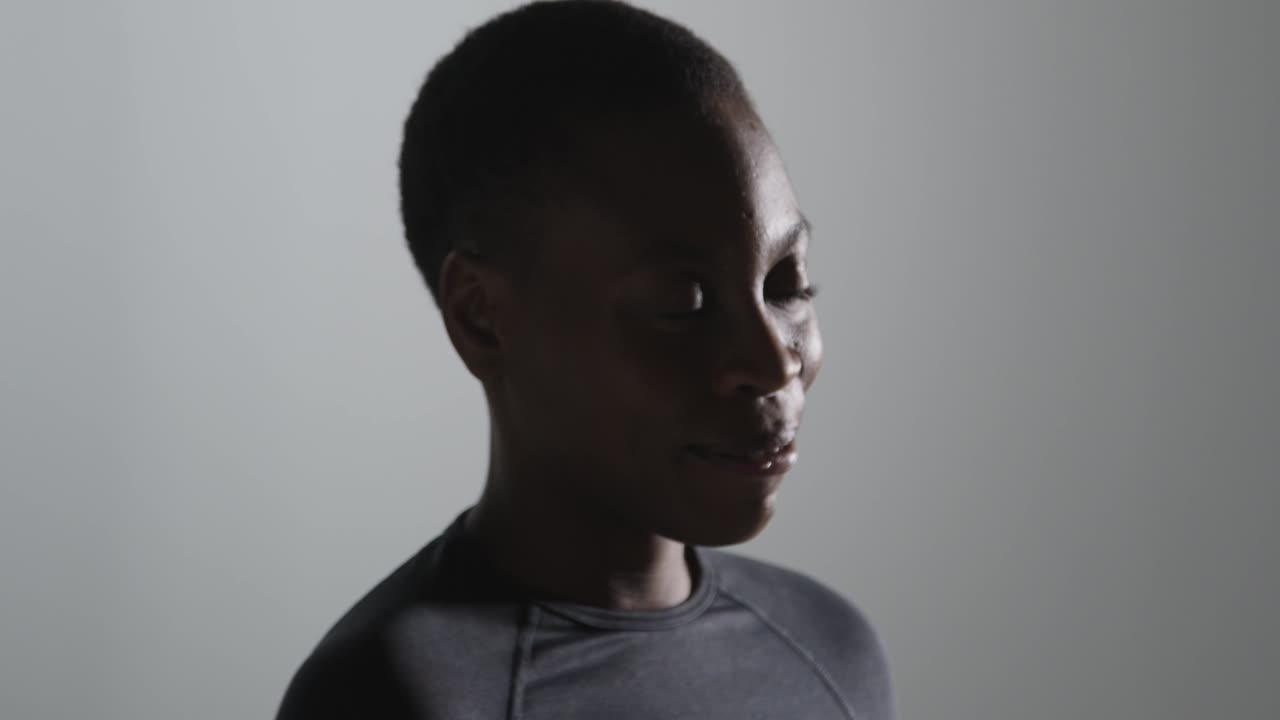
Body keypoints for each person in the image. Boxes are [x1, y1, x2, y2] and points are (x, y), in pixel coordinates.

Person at [276, 1, 895, 718]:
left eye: (786, 283)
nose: (772, 362)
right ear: (484, 319)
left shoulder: (834, 652)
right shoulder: (398, 695)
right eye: (684, 302)